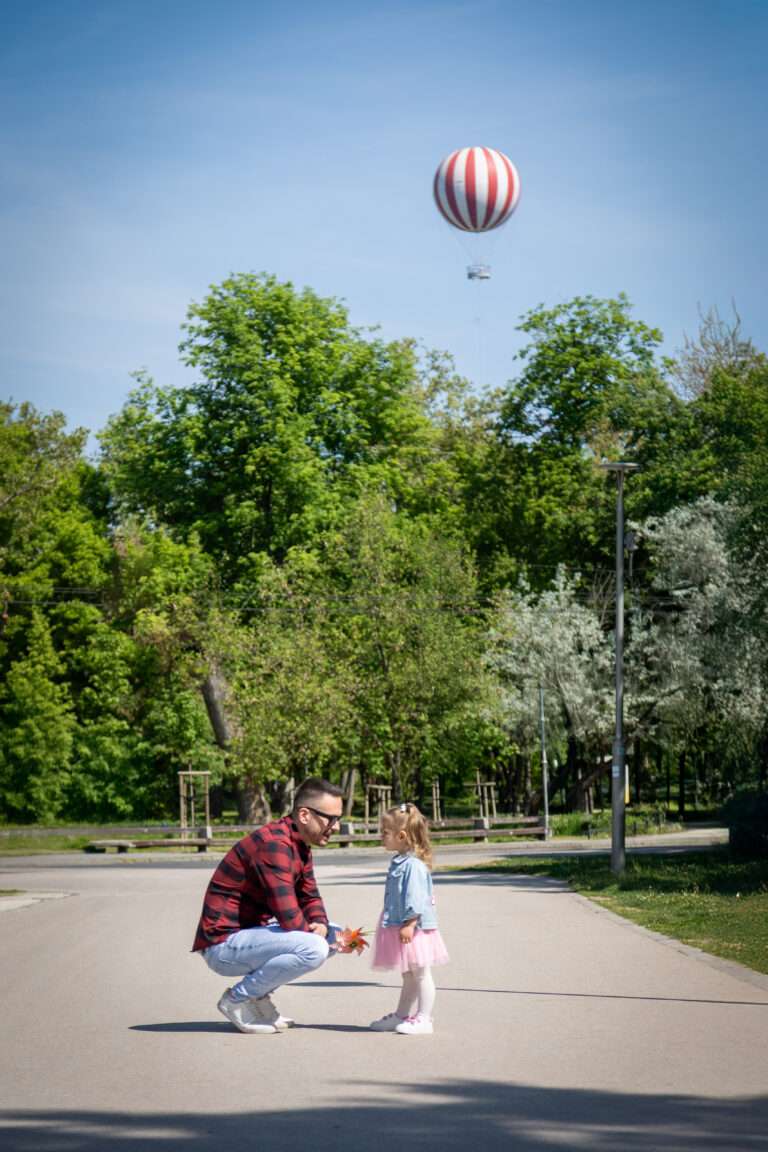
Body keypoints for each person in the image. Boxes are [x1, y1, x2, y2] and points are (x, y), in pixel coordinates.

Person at [192, 776, 344, 1034]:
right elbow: (287, 914)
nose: (337, 827)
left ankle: (257, 996)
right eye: (331, 819)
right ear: (305, 814)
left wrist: (320, 923)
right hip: (222, 945)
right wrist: (317, 933)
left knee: (332, 933)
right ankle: (238, 999)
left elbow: (310, 896)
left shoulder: (297, 843)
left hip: (247, 936)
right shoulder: (274, 845)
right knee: (316, 946)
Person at [369, 802, 449, 1035]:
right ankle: (402, 1015)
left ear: (401, 835)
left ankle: (424, 1018)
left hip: (414, 927)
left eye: (385, 833)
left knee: (421, 972)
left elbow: (416, 898)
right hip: (403, 924)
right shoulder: (400, 861)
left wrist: (410, 923)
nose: (381, 837)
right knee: (409, 974)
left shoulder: (413, 866)